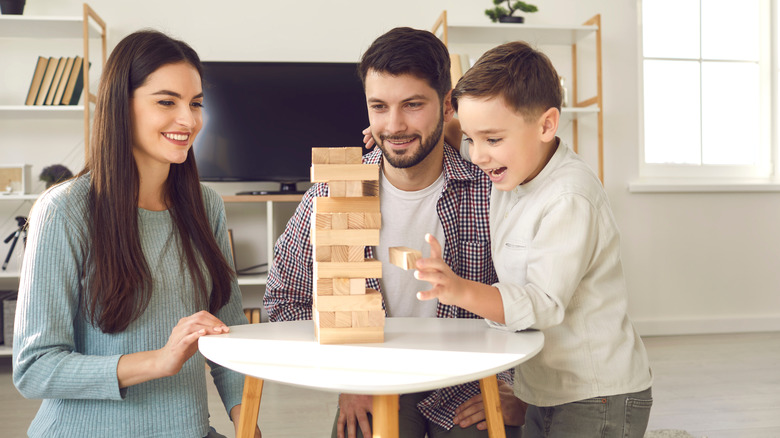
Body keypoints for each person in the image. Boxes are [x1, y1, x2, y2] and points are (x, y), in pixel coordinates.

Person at [264, 27, 524, 438]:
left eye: (413, 105)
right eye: (379, 107)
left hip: (468, 381)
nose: (394, 125)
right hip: (372, 377)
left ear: (448, 105)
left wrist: (518, 388)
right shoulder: (331, 194)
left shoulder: (491, 190)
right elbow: (283, 301)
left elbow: (536, 300)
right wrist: (348, 378)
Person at [12, 30, 261, 438]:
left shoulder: (206, 205)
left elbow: (227, 327)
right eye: (167, 102)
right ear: (120, 107)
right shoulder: (63, 211)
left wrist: (246, 423)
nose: (189, 120)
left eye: (196, 104)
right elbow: (34, 368)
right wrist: (159, 361)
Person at [414, 41, 654, 437]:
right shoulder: (514, 165)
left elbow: (542, 304)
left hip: (597, 396)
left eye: (491, 139)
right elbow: (460, 125)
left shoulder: (568, 198)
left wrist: (459, 290)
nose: (476, 156)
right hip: (543, 388)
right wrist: (393, 132)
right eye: (472, 140)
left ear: (546, 125)